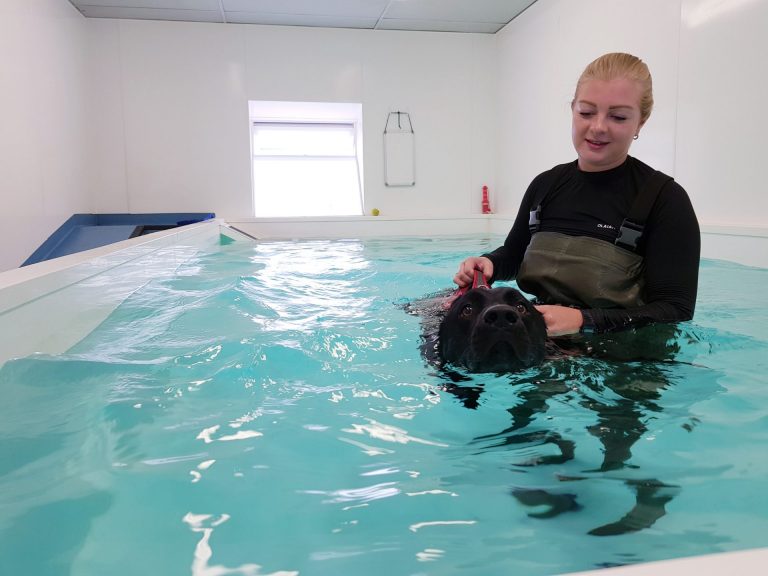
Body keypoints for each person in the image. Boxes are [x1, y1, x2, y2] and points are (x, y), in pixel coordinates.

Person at [454, 52, 700, 337]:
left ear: (641, 122)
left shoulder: (665, 200)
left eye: (618, 117)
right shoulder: (545, 185)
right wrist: (490, 264)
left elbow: (676, 310)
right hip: (543, 341)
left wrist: (585, 321)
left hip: (621, 358)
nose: (598, 127)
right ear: (572, 109)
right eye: (586, 112)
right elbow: (514, 254)